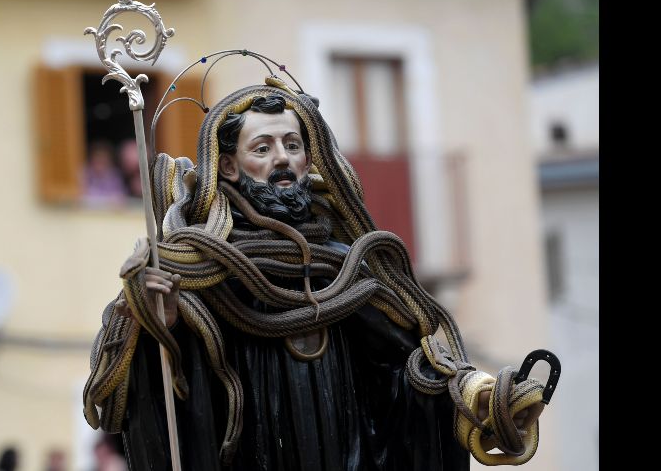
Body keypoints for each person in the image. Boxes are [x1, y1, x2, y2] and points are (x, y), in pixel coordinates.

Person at [84, 81, 543, 470]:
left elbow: (406, 364)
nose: (281, 159)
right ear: (228, 167)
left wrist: (475, 395)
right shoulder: (204, 270)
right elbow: (166, 394)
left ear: (310, 159)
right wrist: (160, 327)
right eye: (262, 148)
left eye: (293, 145)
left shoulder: (344, 265)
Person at [83, 139, 128, 207]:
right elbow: (80, 197)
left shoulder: (114, 175)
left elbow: (120, 198)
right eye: (97, 161)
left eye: (103, 162)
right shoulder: (84, 174)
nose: (100, 165)